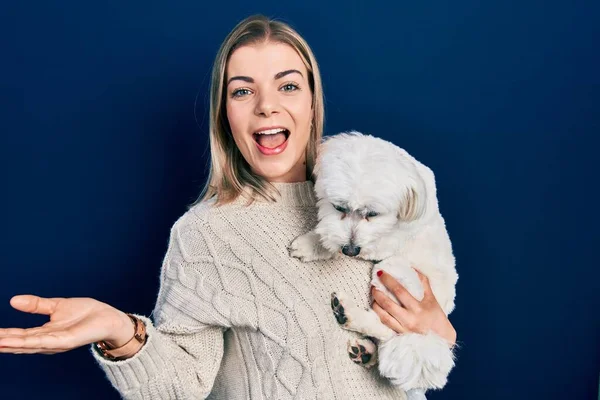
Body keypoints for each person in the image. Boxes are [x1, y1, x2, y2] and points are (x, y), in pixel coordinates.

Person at [0, 14, 457, 399]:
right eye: (243, 91)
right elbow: (182, 384)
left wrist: (443, 333)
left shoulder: (379, 188)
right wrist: (121, 332)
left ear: (313, 102)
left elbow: (423, 337)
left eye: (288, 86)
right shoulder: (207, 234)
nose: (266, 107)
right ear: (225, 114)